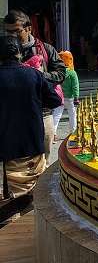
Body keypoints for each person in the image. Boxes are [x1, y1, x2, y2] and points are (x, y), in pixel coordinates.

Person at [0, 36, 62, 201]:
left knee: (10, 191)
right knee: (34, 190)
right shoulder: (34, 75)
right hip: (32, 140)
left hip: (6, 143)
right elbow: (55, 100)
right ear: (19, 54)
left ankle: (10, 217)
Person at [4, 9, 66, 156]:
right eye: (8, 32)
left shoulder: (46, 49)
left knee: (42, 161)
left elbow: (61, 73)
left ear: (28, 29)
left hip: (42, 114)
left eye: (16, 31)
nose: (12, 36)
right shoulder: (3, 51)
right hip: (11, 116)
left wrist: (38, 76)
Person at [57, 51, 79, 139]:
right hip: (70, 98)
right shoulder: (72, 73)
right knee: (72, 115)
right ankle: (73, 132)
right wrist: (76, 98)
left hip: (60, 97)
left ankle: (53, 133)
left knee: (57, 115)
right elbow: (75, 86)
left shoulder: (59, 72)